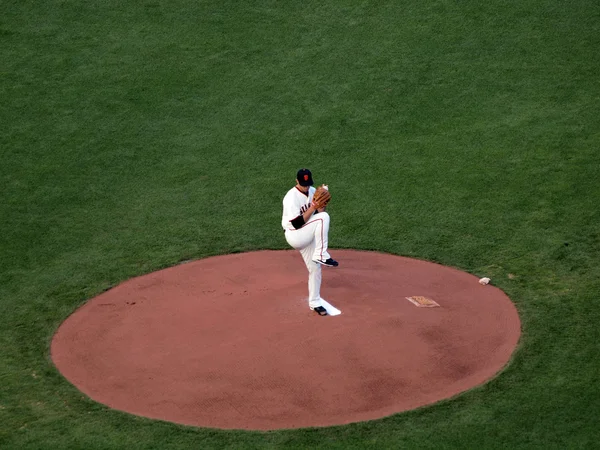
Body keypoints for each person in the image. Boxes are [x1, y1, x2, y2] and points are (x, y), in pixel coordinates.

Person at [281, 168, 339, 316]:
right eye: (303, 184)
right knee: (324, 218)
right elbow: (296, 223)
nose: (306, 187)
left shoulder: (313, 191)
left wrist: (322, 201)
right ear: (296, 181)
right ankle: (321, 253)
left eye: (308, 184)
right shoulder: (291, 197)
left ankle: (314, 302)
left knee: (315, 268)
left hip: (307, 234)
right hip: (295, 235)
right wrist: (313, 206)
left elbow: (319, 212)